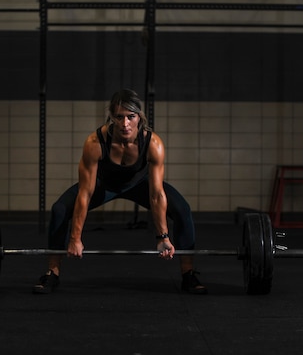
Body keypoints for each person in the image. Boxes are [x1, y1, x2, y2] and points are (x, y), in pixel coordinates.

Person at [33, 89, 207, 295]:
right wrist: (75, 238)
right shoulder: (95, 143)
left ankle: (188, 274)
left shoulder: (153, 144)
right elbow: (86, 193)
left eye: (130, 117)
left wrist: (162, 237)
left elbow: (156, 194)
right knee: (60, 209)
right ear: (112, 117)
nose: (125, 124)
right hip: (104, 185)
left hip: (140, 185)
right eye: (119, 117)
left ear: (139, 116)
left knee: (182, 210)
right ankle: (52, 272)